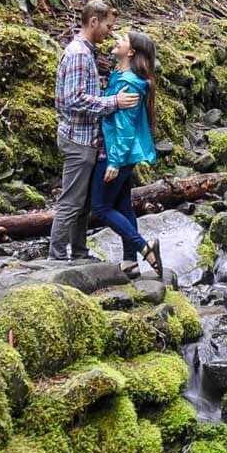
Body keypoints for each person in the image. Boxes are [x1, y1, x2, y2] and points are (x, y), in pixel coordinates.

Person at [48, 0, 139, 261]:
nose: (109, 32)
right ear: (94, 22)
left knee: (84, 204)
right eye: (108, 26)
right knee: (72, 201)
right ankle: (55, 257)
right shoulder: (78, 54)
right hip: (78, 139)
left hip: (86, 138)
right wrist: (113, 103)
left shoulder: (86, 52)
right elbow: (74, 99)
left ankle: (79, 252)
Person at [92, 30, 163, 278]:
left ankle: (143, 246)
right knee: (123, 206)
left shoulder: (129, 83)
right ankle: (130, 262)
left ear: (131, 52)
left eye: (122, 40)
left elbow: (124, 127)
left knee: (100, 207)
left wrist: (114, 161)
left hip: (116, 154)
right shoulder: (122, 76)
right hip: (122, 154)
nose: (116, 41)